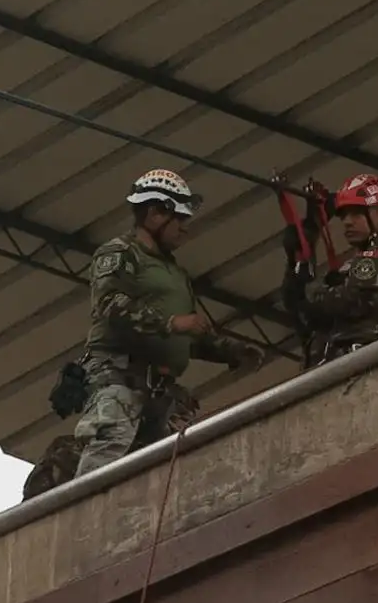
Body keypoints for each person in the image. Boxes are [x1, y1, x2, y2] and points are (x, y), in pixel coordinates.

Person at [72, 170, 262, 479]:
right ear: (155, 214)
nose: (184, 228)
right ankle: (85, 509)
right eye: (180, 218)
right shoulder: (120, 253)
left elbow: (187, 334)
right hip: (119, 378)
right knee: (108, 453)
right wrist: (172, 322)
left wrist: (231, 350)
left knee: (165, 472)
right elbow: (110, 306)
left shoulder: (174, 273)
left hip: (161, 394)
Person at [281, 174, 378, 368]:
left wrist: (312, 292)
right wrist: (296, 263)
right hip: (345, 365)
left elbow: (353, 300)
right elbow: (305, 312)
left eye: (356, 213)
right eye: (344, 215)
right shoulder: (353, 266)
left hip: (372, 365)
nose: (347, 222)